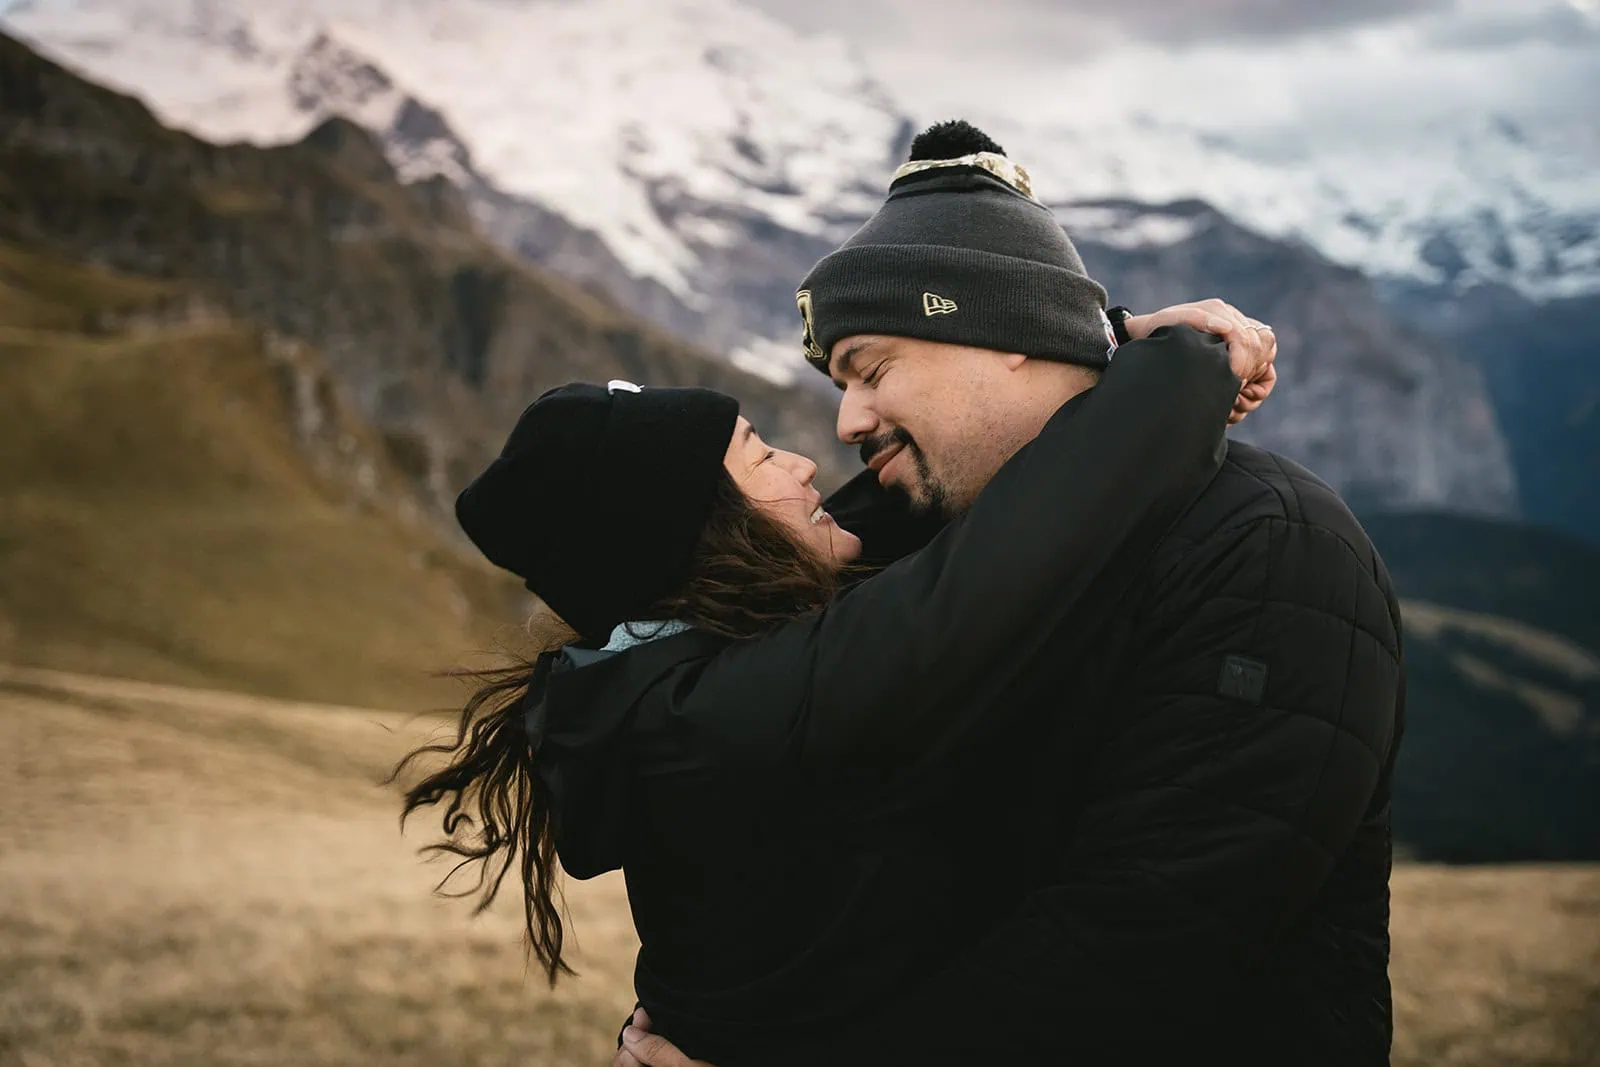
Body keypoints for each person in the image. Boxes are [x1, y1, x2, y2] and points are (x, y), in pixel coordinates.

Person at [617, 122, 1403, 1067]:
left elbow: (1136, 952)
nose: (846, 418)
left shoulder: (1270, 549)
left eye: (870, 369)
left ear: (1000, 335)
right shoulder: (935, 548)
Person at [396, 305, 1272, 1063]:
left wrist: (1092, 340)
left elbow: (888, 503)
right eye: (758, 456)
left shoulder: (653, 680)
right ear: (703, 536)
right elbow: (1023, 540)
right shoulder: (737, 713)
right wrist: (1186, 362)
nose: (806, 464)